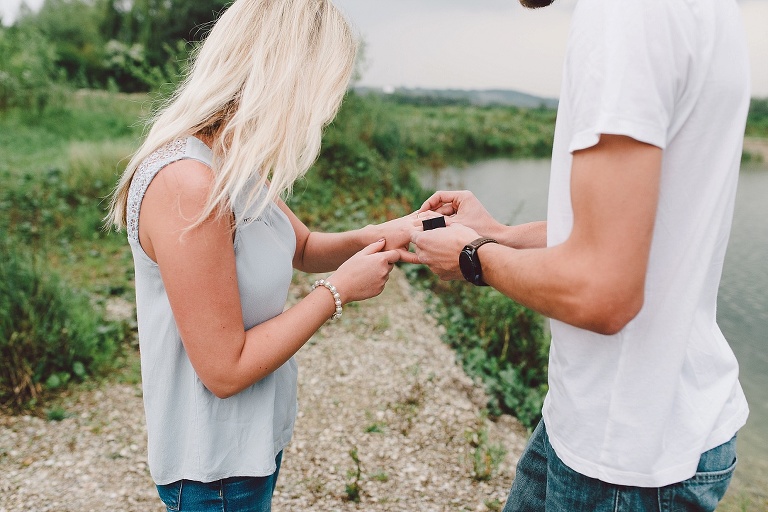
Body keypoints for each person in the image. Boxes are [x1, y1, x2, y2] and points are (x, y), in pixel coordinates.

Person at [411, 0, 750, 510]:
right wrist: (499, 235)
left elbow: (602, 292)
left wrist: (471, 256)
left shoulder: (624, 14)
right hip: (621, 421)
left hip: (622, 460)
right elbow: (626, 234)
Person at [106, 1, 419, 510]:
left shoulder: (232, 160)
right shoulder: (189, 183)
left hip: (250, 446)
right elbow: (224, 370)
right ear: (287, 75)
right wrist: (338, 292)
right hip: (215, 469)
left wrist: (387, 232)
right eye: (323, 89)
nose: (325, 108)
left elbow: (301, 246)